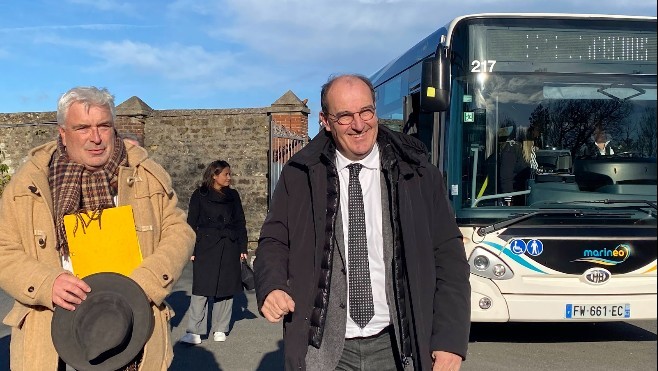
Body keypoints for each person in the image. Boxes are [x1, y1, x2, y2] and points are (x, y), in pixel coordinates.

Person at [254, 74, 470, 371]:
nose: (359, 124)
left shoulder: (418, 174)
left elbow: (449, 257)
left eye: (366, 112)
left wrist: (449, 340)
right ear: (325, 121)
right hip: (323, 349)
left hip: (398, 345)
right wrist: (273, 285)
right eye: (344, 116)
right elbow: (274, 240)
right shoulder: (299, 174)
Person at [0, 86, 195, 370]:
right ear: (63, 134)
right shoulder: (29, 182)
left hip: (133, 326)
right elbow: (4, 249)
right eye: (82, 127)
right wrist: (45, 283)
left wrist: (148, 280)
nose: (95, 137)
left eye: (104, 126)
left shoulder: (144, 173)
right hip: (50, 340)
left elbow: (179, 230)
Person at [180, 160, 248, 345]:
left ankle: (220, 328)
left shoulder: (233, 195)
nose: (229, 177)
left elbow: (240, 222)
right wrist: (191, 248)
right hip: (205, 246)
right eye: (226, 174)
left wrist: (243, 247)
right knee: (201, 288)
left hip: (229, 244)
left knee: (225, 289)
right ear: (214, 175)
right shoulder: (199, 194)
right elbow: (191, 223)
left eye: (229, 174)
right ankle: (195, 331)